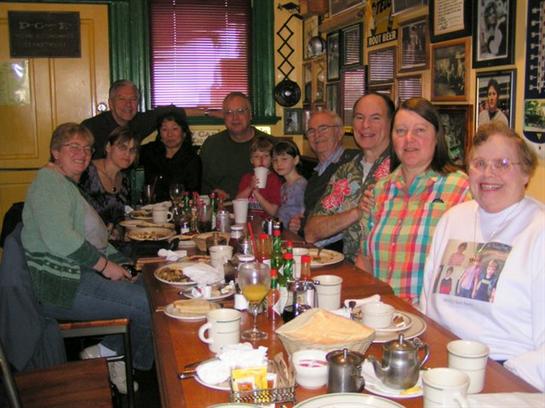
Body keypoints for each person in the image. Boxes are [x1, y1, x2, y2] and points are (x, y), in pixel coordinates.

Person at [21, 123, 153, 394]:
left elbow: (94, 238)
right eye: (73, 147)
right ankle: (117, 358)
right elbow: (62, 240)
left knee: (152, 286)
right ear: (55, 151)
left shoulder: (66, 184)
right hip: (61, 286)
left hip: (77, 273)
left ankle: (118, 356)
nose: (82, 154)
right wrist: (106, 267)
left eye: (87, 148)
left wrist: (122, 263)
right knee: (147, 303)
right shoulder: (49, 183)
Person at [420, 122, 544, 391]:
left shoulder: (539, 231)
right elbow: (427, 303)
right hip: (440, 364)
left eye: (502, 163)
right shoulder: (453, 219)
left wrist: (501, 377)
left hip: (507, 374)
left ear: (526, 173)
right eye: (479, 163)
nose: (488, 173)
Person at [359, 97, 471, 304]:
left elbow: (467, 265)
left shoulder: (461, 189)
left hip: (427, 315)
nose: (409, 139)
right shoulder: (380, 190)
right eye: (400, 131)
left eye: (420, 130)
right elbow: (365, 259)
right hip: (379, 311)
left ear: (437, 137)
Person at [304, 94, 392, 263]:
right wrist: (356, 212)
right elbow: (311, 232)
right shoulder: (346, 171)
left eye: (375, 118)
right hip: (351, 271)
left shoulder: (401, 168)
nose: (365, 125)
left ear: (390, 123)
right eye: (359, 117)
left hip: (390, 272)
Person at [287, 110, 357, 252]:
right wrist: (299, 223)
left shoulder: (352, 163)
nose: (317, 135)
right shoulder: (314, 177)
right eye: (311, 131)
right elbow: (312, 216)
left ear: (339, 132)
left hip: (341, 251)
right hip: (315, 248)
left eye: (323, 128)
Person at [81, 79, 186, 159]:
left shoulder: (139, 122)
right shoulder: (91, 127)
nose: (128, 104)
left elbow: (174, 110)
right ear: (111, 103)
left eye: (133, 99)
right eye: (122, 99)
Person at [200, 92, 275, 199]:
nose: (235, 117)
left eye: (240, 111)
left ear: (250, 115)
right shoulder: (211, 145)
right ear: (223, 117)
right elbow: (201, 184)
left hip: (260, 206)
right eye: (229, 112)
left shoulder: (270, 144)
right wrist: (213, 194)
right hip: (221, 206)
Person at [79, 126, 139, 235]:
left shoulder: (124, 180)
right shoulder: (87, 172)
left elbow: (122, 219)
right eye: (122, 147)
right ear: (108, 147)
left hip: (112, 241)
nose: (127, 154)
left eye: (132, 150)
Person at [139, 110, 201, 202]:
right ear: (159, 134)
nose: (169, 134)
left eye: (175, 129)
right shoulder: (150, 151)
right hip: (150, 207)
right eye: (164, 129)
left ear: (184, 133)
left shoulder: (192, 159)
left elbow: (193, 193)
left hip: (179, 207)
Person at [236, 136, 282, 217]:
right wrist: (249, 188)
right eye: (256, 156)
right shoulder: (247, 178)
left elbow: (273, 212)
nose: (261, 160)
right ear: (251, 160)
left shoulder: (274, 180)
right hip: (248, 220)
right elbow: (237, 203)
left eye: (266, 156)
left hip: (266, 221)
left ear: (272, 159)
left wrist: (256, 193)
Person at [272, 141, 307, 229]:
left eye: (284, 159)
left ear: (296, 160)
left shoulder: (300, 185)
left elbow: (304, 213)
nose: (278, 164)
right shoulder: (284, 186)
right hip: (283, 230)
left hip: (294, 231)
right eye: (275, 160)